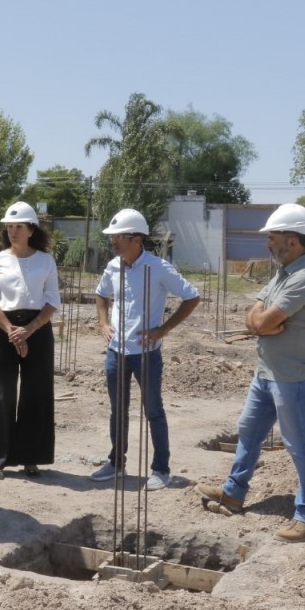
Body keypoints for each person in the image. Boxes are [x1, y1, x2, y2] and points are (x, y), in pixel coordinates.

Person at [195, 203, 305, 543]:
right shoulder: (283, 274)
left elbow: (264, 320)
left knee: (300, 445)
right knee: (249, 430)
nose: (267, 244)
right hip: (268, 371)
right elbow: (255, 317)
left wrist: (262, 324)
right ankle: (234, 492)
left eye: (272, 237)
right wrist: (261, 325)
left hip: (294, 376)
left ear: (293, 240)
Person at [90, 209, 200, 489]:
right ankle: (116, 463)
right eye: (112, 237)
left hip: (147, 354)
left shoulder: (158, 268)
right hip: (117, 351)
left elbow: (191, 296)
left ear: (136, 238)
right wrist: (103, 322)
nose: (113, 241)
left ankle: (161, 469)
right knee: (118, 410)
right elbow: (101, 294)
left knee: (153, 411)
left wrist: (163, 329)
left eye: (118, 237)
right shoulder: (113, 267)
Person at [0, 201, 61, 480]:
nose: (12, 232)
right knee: (0, 393)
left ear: (30, 230)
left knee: (35, 393)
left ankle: (30, 457)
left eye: (18, 227)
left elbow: (52, 302)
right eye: (9, 227)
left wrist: (30, 329)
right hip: (2, 330)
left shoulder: (45, 260)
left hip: (37, 330)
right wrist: (12, 330)